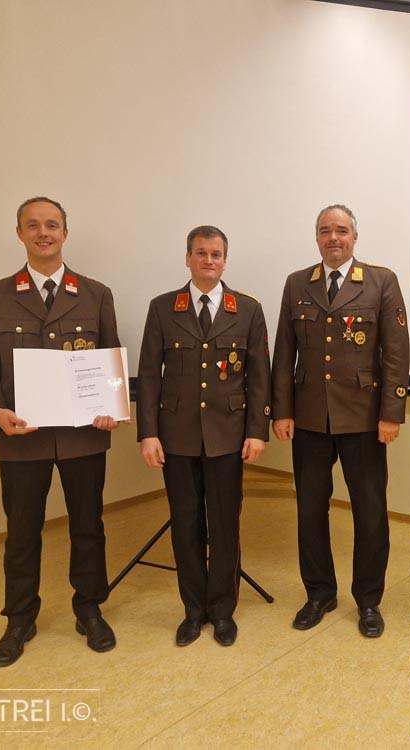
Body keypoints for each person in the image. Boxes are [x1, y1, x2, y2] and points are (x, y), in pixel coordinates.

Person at [0, 196, 122, 667]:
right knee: (22, 533)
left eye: (52, 225)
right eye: (33, 225)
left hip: (82, 437)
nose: (43, 233)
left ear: (65, 233)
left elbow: (109, 365)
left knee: (88, 527)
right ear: (20, 234)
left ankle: (89, 609)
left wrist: (110, 406)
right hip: (21, 439)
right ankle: (19, 619)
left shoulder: (96, 294)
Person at [271, 204, 410, 637]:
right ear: (317, 238)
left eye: (342, 230)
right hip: (310, 417)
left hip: (364, 418)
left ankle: (368, 600)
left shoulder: (381, 281)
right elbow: (284, 352)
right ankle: (319, 593)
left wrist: (391, 414)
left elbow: (396, 353)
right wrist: (282, 410)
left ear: (354, 237)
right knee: (310, 510)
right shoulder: (297, 283)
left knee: (370, 512)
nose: (334, 238)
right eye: (325, 231)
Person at [136, 225, 270, 647]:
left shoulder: (247, 309)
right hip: (176, 438)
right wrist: (148, 433)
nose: (208, 260)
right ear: (188, 258)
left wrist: (257, 432)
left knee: (225, 525)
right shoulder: (163, 308)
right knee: (186, 525)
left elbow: (259, 378)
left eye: (215, 254)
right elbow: (149, 376)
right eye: (200, 253)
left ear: (225, 261)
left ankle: (223, 610)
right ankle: (193, 610)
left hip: (228, 437)